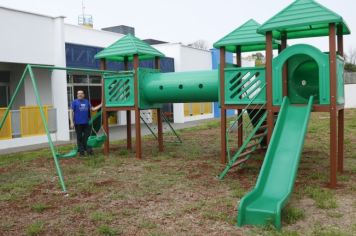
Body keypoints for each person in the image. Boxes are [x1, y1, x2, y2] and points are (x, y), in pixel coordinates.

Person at [69, 90, 102, 156]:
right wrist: (71, 122)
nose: (80, 95)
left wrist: (101, 104)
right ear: (77, 95)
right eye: (78, 94)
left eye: (81, 93)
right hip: (78, 123)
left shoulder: (87, 101)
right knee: (79, 138)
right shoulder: (74, 102)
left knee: (87, 137)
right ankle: (81, 152)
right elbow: (70, 112)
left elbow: (93, 109)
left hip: (86, 123)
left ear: (83, 95)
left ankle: (89, 150)